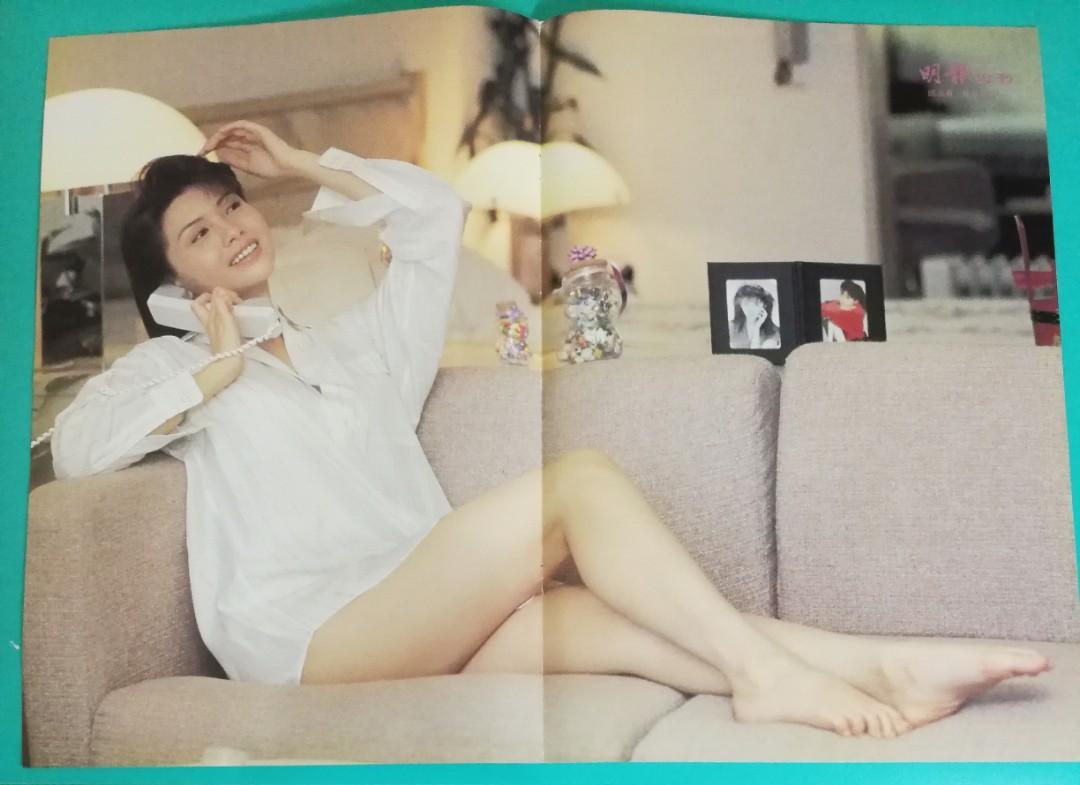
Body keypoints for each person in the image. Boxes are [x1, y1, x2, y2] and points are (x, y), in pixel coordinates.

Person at [50, 120, 1051, 740]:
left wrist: (302, 163)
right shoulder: (169, 375)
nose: (234, 227)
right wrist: (215, 365)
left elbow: (432, 217)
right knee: (578, 480)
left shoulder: (352, 347)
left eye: (233, 205)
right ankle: (767, 678)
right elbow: (77, 449)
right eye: (199, 232)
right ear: (170, 285)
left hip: (417, 608)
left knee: (611, 623)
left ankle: (884, 660)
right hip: (312, 637)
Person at [729, 284, 781, 350]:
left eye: (756, 304)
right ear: (740, 306)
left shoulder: (775, 332)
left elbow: (757, 354)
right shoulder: (731, 327)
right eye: (746, 304)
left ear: (765, 305)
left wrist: (757, 327)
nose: (751, 309)